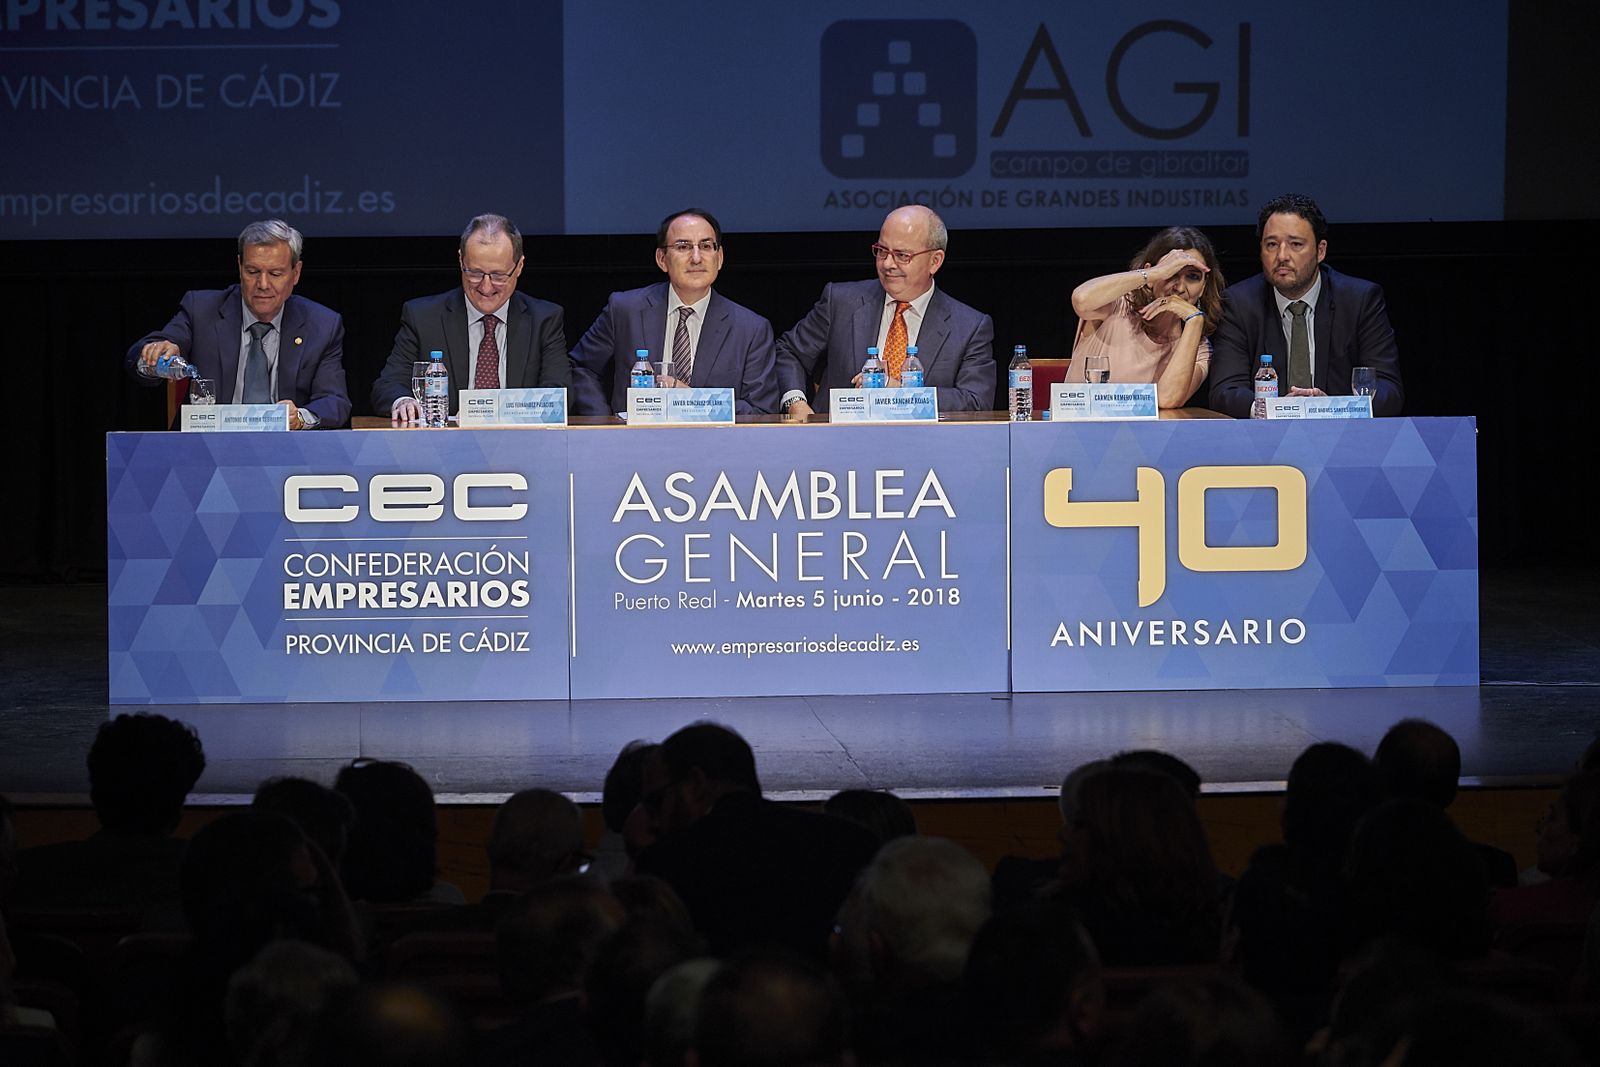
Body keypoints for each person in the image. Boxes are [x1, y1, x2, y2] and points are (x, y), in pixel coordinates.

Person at [633, 723, 878, 960]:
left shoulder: (666, 865)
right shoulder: (852, 843)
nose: (653, 822)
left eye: (655, 803)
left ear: (696, 783)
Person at [127, 218, 350, 429]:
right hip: (206, 450)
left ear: (295, 273)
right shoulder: (202, 310)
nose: (263, 284)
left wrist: (299, 418)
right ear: (239, 267)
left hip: (286, 451)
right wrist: (154, 356)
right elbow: (139, 357)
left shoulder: (322, 324)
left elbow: (334, 401)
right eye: (253, 272)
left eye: (275, 273)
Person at [775, 205, 995, 415]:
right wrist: (795, 402)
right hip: (838, 443)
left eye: (902, 255)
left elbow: (976, 401)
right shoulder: (841, 302)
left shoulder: (969, 327)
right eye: (882, 251)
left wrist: (900, 393)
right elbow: (789, 351)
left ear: (934, 261)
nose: (888, 264)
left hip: (925, 447)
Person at [1208, 192, 1403, 416]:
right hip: (1266, 441)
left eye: (1295, 244)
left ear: (1320, 251)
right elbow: (1225, 391)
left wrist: (1331, 408)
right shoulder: (1240, 303)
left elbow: (1389, 391)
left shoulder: (1359, 300)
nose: (1282, 255)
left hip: (1342, 437)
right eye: (1271, 244)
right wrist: (1276, 409)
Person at [569, 208, 779, 415]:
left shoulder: (751, 329)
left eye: (706, 246)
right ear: (662, 259)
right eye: (683, 247)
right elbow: (581, 367)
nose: (696, 258)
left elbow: (760, 409)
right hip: (635, 443)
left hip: (716, 445)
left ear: (720, 257)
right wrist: (603, 422)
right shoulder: (625, 310)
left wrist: (692, 400)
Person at [371, 213, 569, 422]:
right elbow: (388, 384)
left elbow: (558, 394)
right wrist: (403, 401)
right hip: (444, 447)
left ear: (519, 266)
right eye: (474, 273)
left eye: (498, 276)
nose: (485, 286)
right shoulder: (423, 317)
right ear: (460, 260)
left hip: (521, 446)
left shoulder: (544, 320)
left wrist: (491, 413)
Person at [1069, 226, 1225, 408]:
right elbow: (1081, 300)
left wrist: (1195, 320)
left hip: (1144, 436)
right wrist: (1155, 273)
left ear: (1203, 287)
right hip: (1078, 430)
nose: (1180, 288)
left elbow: (1167, 399)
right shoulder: (1118, 304)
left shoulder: (1198, 348)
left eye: (1193, 276)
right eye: (1172, 273)